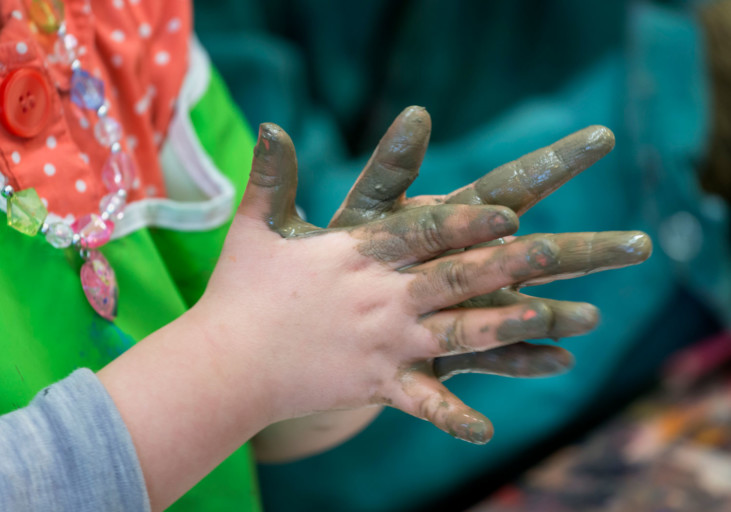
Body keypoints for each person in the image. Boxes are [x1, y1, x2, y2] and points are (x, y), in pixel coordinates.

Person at [0, 1, 652, 510]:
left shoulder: (123, 22)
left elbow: (254, 430)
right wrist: (236, 367)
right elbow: (232, 370)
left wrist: (358, 345)